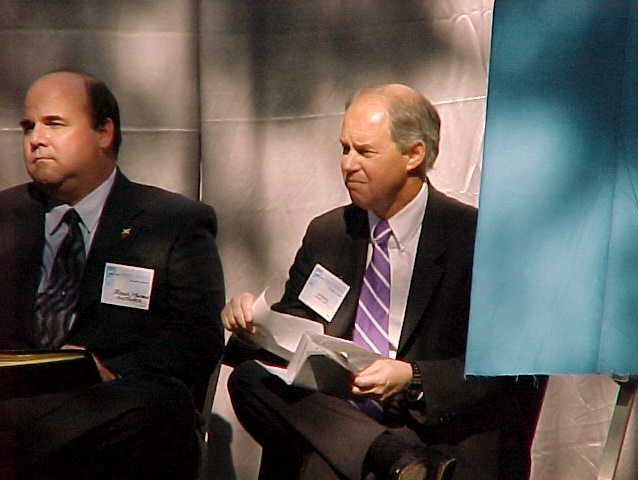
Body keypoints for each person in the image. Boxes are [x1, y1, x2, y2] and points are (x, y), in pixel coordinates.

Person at [222, 84, 544, 480]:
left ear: (414, 154)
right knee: (250, 379)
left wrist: (412, 376)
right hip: (341, 416)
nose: (348, 164)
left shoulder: (478, 240)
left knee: (323, 462)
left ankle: (392, 459)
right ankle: (392, 459)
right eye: (344, 149)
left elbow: (507, 370)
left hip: (427, 422)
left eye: (365, 152)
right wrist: (254, 326)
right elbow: (294, 334)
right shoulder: (330, 233)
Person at [0, 70, 225, 479]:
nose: (35, 139)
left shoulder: (172, 222)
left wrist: (107, 367)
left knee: (163, 405)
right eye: (28, 127)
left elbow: (197, 339)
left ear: (104, 132)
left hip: (112, 407)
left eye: (54, 124)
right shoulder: (5, 216)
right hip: (14, 397)